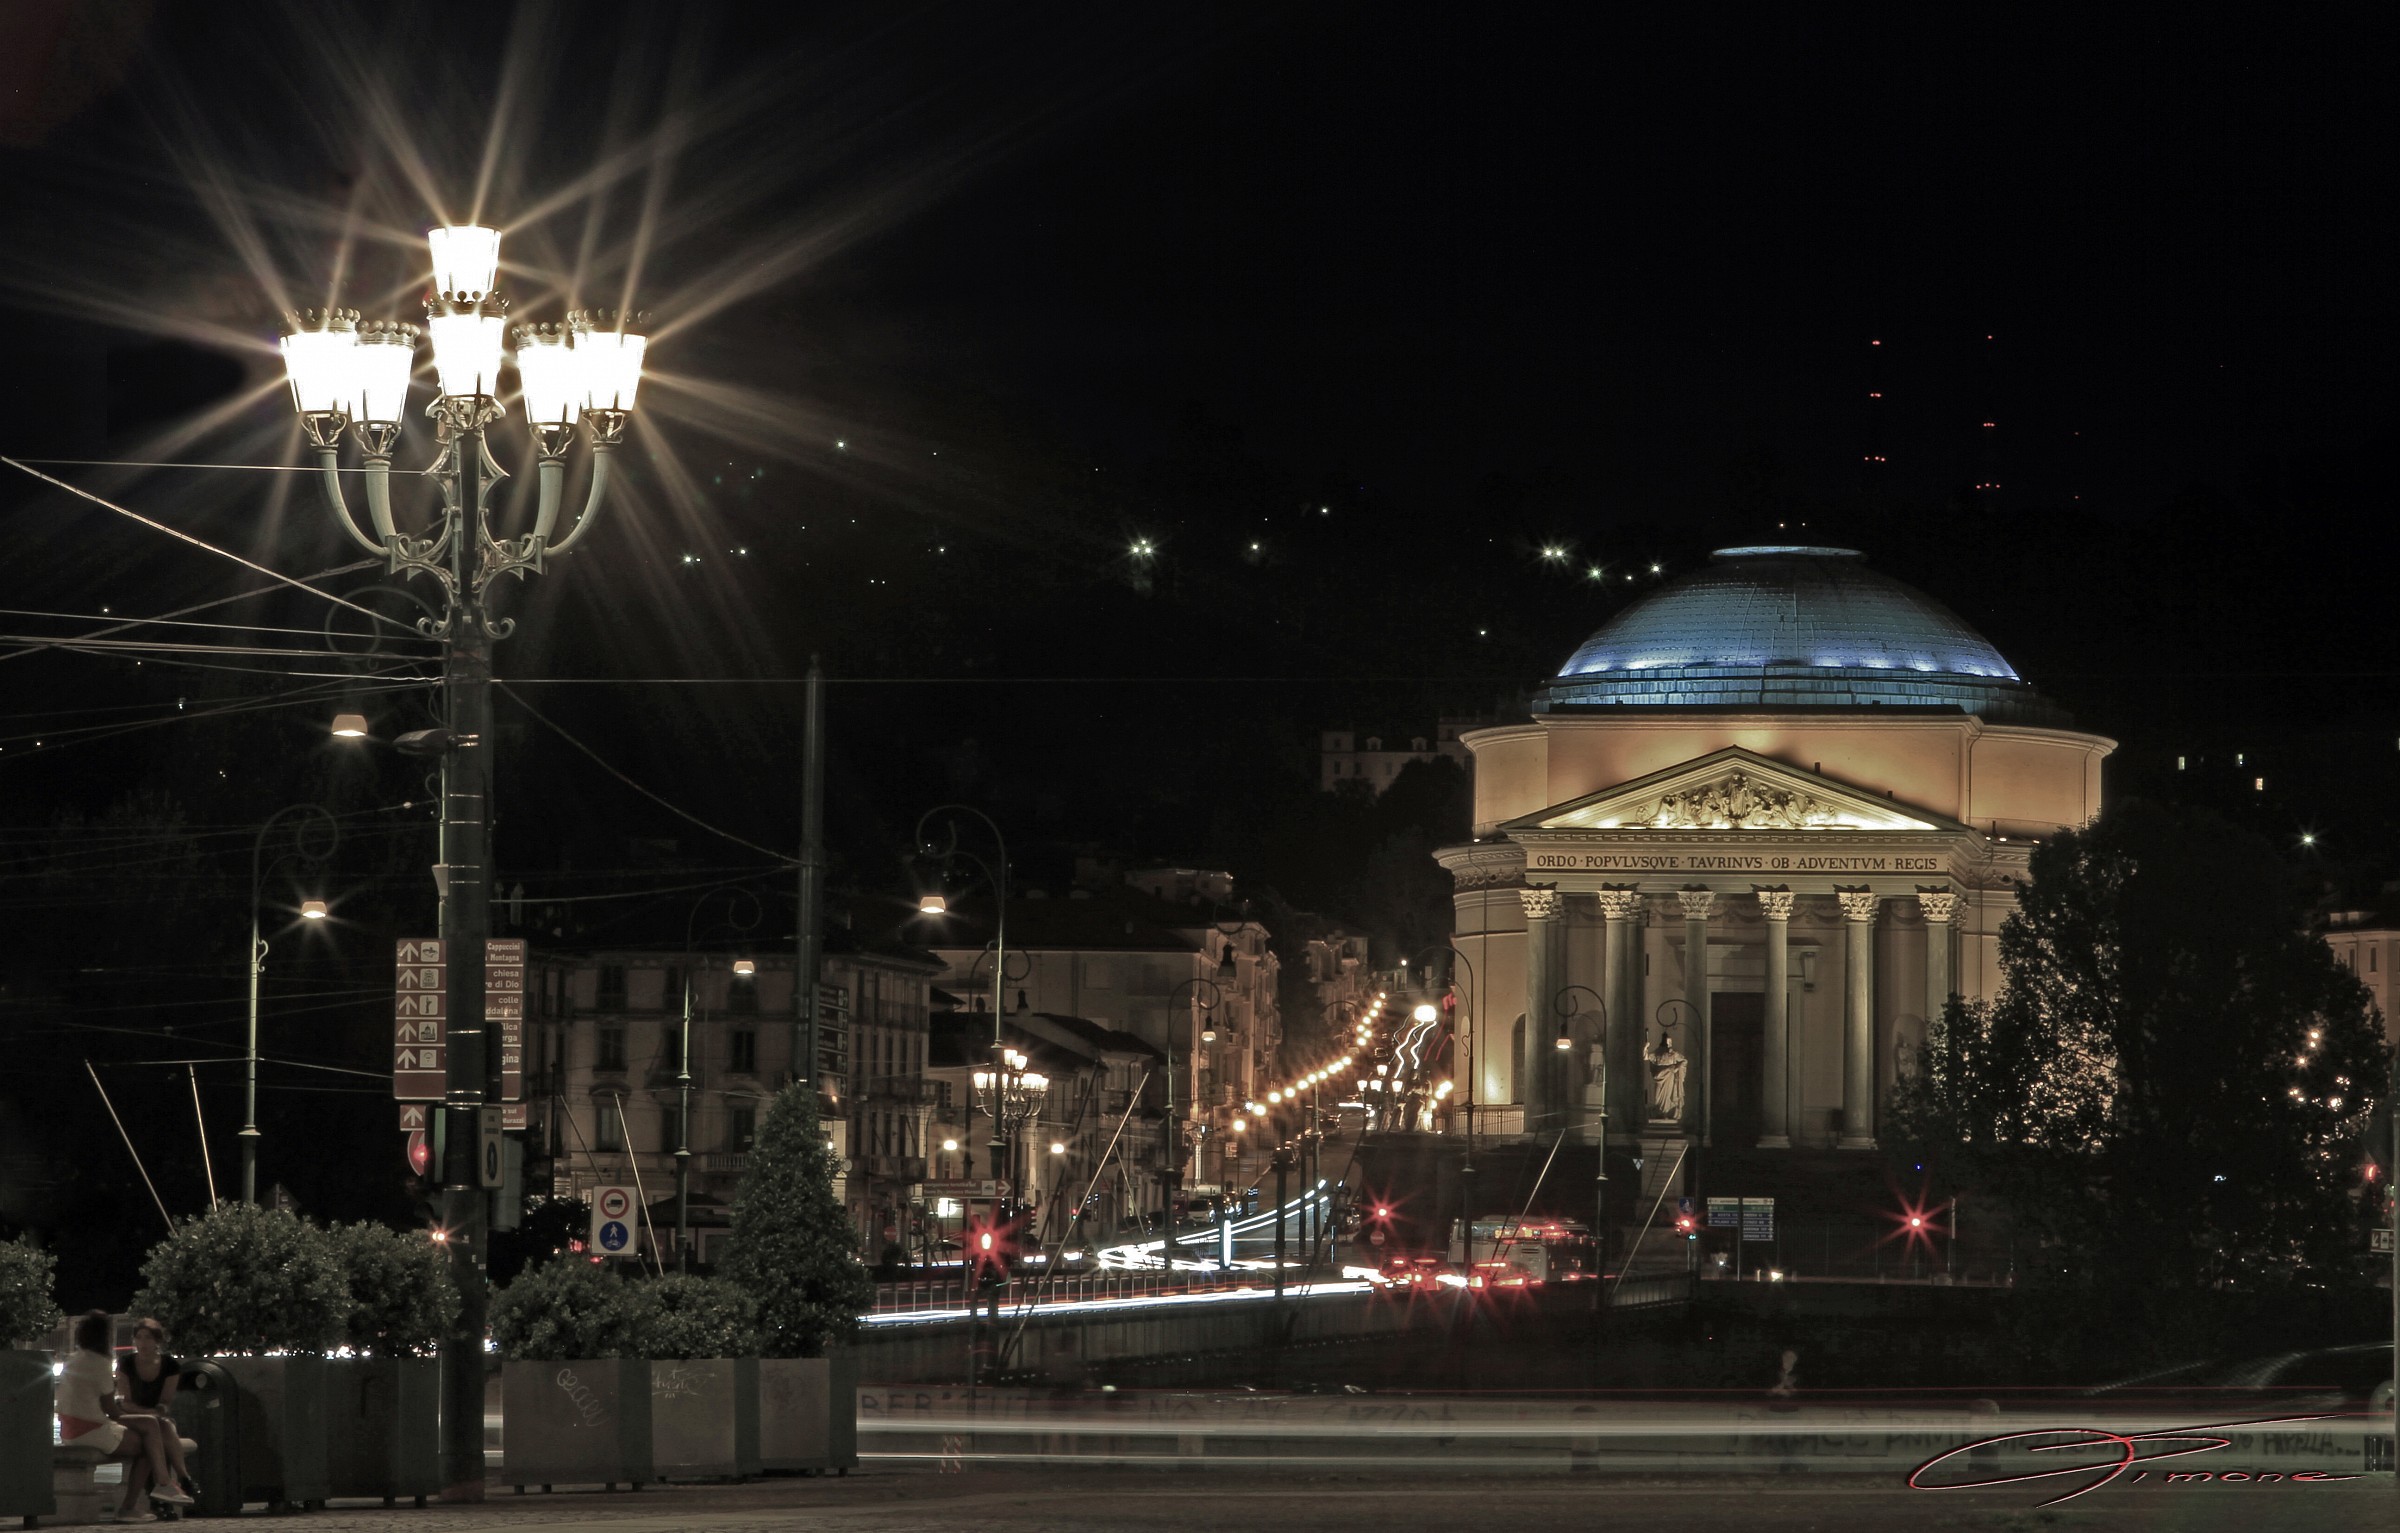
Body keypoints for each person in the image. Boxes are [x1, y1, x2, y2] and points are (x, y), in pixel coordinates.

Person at [55, 1311, 189, 1521]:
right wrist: (144, 1418)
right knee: (148, 1444)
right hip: (90, 1430)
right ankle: (138, 1501)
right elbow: (113, 1411)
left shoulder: (73, 1360)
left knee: (150, 1428)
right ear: (105, 1336)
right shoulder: (100, 1363)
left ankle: (162, 1485)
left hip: (69, 1430)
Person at [115, 1319, 196, 1503]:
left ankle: (175, 1484)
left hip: (158, 1417)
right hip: (131, 1416)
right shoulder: (126, 1363)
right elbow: (125, 1402)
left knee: (162, 1426)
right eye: (139, 1338)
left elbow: (165, 1402)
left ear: (157, 1341)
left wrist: (157, 1412)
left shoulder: (169, 1365)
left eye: (148, 1338)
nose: (143, 1343)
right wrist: (150, 1414)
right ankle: (182, 1480)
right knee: (159, 1427)